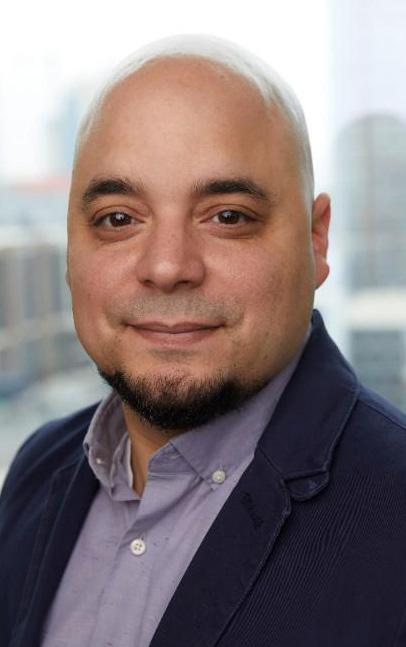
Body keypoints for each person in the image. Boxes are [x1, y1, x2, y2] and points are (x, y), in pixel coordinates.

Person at [1, 34, 406, 647]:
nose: (167, 267)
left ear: (316, 239)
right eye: (118, 219)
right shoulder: (37, 470)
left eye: (228, 216)